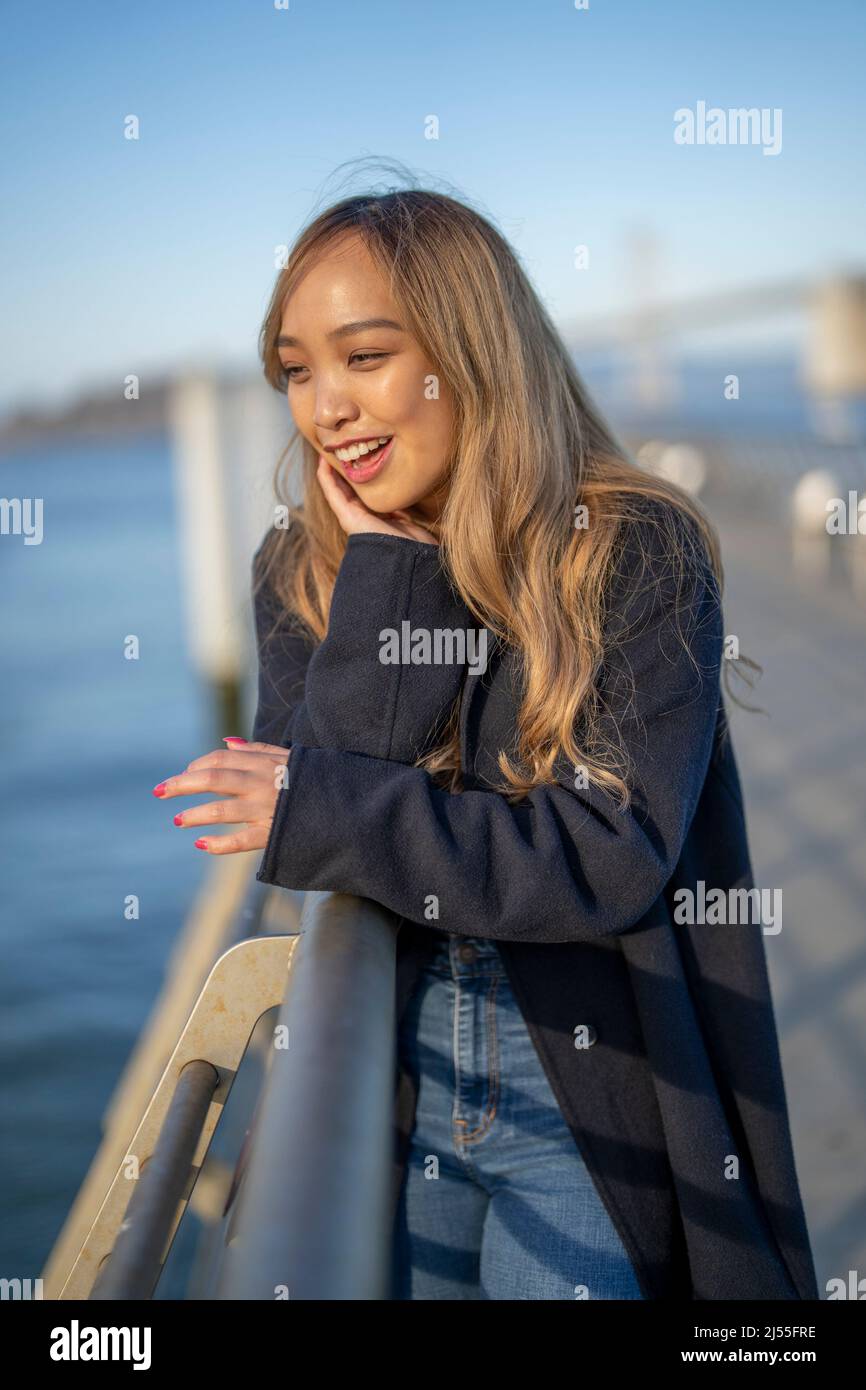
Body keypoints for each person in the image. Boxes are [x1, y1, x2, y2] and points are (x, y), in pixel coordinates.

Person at [153, 186, 818, 1301]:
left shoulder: (628, 551)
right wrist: (384, 584)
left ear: (469, 350)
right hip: (390, 1077)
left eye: (362, 357)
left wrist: (322, 812)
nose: (325, 406)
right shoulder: (303, 568)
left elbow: (610, 852)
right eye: (296, 370)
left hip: (589, 1104)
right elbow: (301, 821)